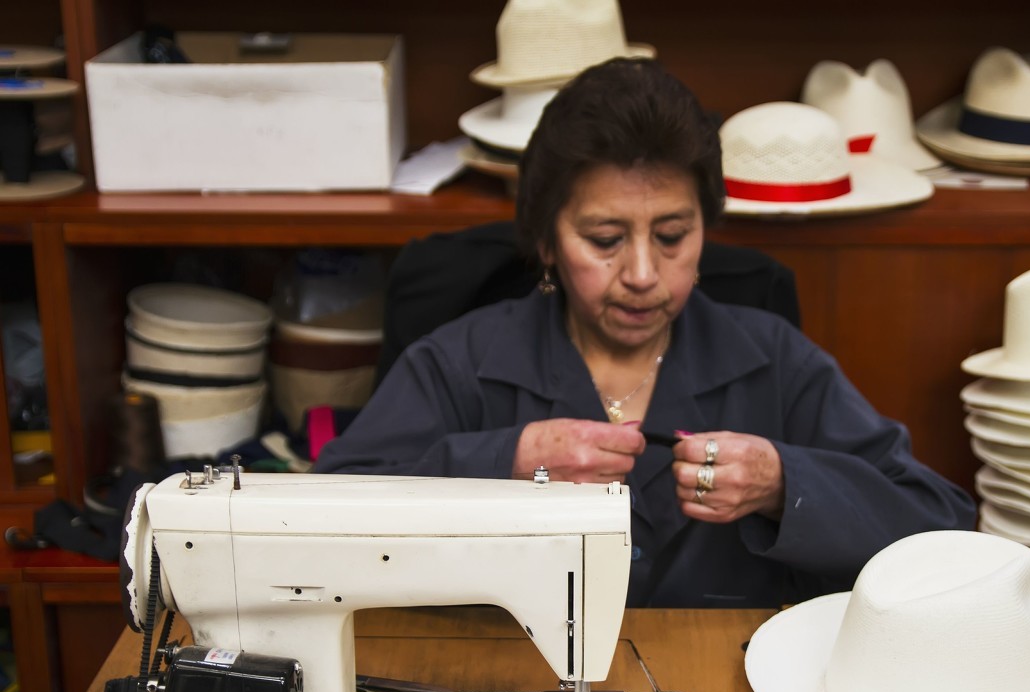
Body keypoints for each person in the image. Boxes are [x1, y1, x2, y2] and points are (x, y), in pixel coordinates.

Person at [314, 58, 975, 606]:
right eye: (604, 239)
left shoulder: (773, 360)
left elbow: (939, 523)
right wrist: (506, 462)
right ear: (546, 242)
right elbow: (319, 522)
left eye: (672, 237)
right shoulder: (460, 360)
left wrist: (784, 481)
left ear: (704, 231)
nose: (641, 273)